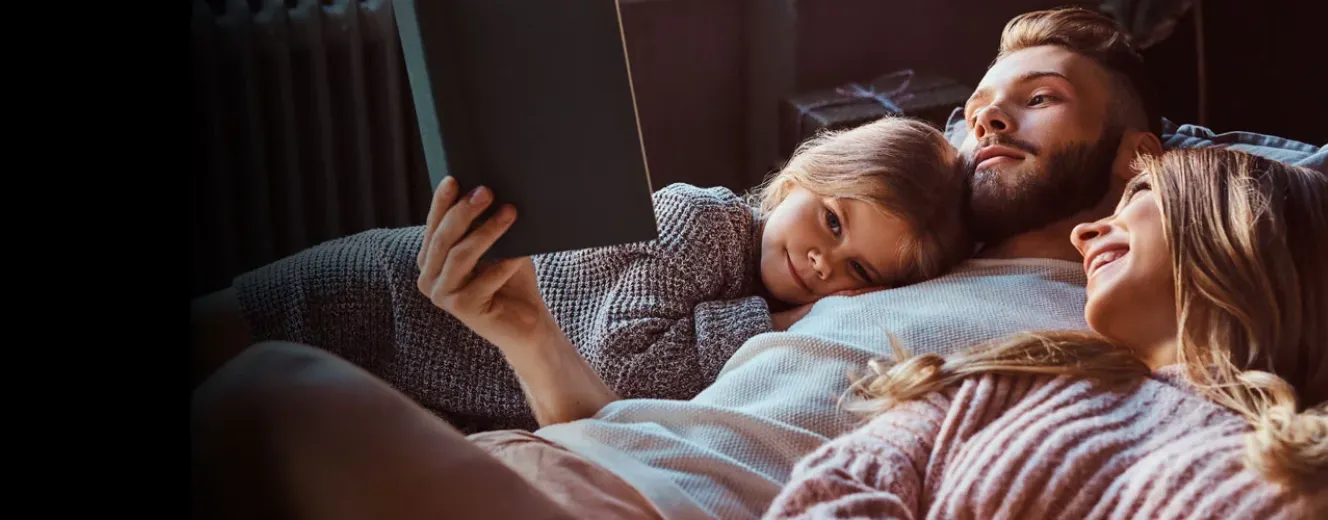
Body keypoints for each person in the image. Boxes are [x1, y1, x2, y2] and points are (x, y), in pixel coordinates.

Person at [191, 7, 1308, 520]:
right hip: (571, 451)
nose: (987, 122)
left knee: (265, 401)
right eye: (979, 105)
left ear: (1140, 158)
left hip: (649, 505)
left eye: (1039, 98)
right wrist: (522, 330)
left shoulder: (1116, 314)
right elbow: (641, 418)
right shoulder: (902, 250)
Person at [192, 116, 970, 432]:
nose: (822, 262)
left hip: (429, 386)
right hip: (377, 301)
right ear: (800, 176)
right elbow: (621, 368)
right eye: (831, 223)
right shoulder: (704, 221)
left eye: (858, 270)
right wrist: (768, 325)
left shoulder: (767, 286)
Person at [762, 148, 1327, 519]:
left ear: (1245, 227)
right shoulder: (1009, 375)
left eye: (1143, 194)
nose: (1085, 233)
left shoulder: (1298, 464)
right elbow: (840, 486)